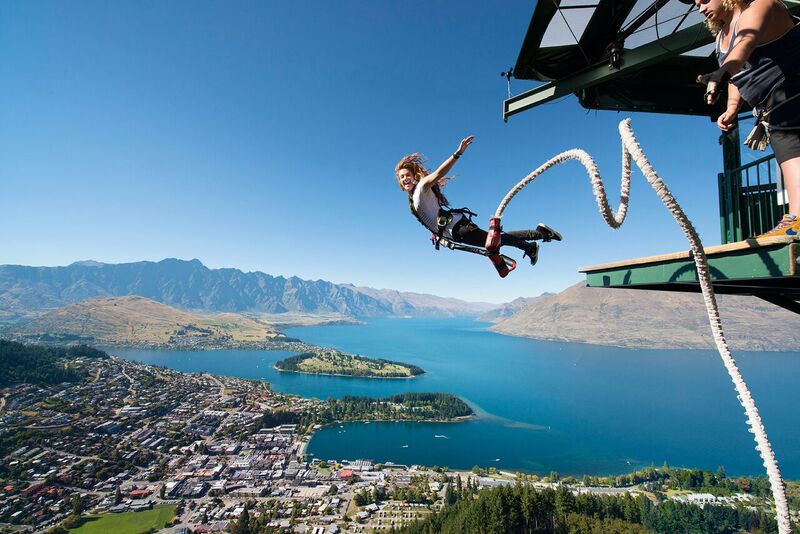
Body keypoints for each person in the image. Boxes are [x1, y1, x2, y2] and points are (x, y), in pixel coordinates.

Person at [697, 0, 800, 237]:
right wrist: (732, 107)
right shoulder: (721, 37)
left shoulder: (760, 6)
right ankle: (796, 219)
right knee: (788, 153)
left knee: (792, 152)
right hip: (773, 105)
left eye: (704, 0)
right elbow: (738, 75)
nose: (701, 8)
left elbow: (746, 42)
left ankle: (797, 219)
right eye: (697, 5)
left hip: (792, 90)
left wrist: (722, 73)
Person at [395, 136, 561, 266]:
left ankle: (541, 234)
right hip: (452, 230)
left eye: (407, 175)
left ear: (414, 177)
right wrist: (435, 232)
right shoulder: (413, 199)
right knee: (495, 241)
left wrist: (457, 154)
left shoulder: (421, 187)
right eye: (402, 177)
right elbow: (430, 213)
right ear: (399, 182)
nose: (405, 179)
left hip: (458, 228)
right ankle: (530, 246)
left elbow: (439, 173)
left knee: (495, 241)